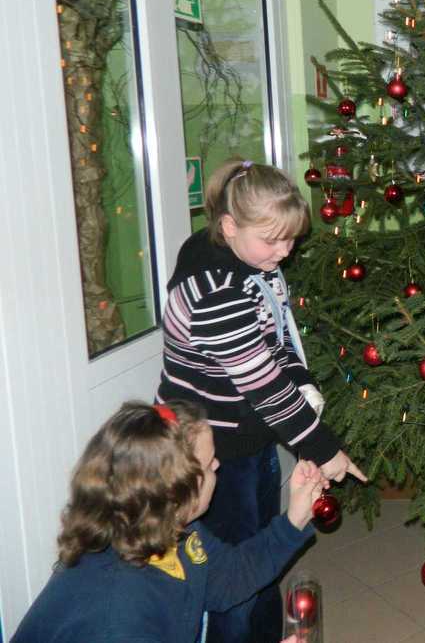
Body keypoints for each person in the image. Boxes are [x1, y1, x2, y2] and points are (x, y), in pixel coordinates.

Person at [156, 159, 365, 643]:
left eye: (290, 239)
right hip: (212, 454)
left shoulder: (251, 259)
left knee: (262, 560)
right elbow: (265, 389)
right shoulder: (216, 291)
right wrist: (324, 449)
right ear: (229, 227)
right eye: (272, 240)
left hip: (247, 438)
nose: (284, 252)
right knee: (233, 585)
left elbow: (276, 337)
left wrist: (303, 381)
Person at [12, 401, 327, 643]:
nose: (218, 464)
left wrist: (296, 517)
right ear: (177, 492)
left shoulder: (168, 531)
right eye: (208, 463)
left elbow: (230, 577)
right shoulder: (119, 618)